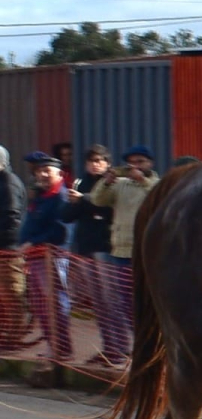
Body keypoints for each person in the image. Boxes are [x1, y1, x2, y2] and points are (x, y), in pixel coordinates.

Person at [90, 145, 160, 358]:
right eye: (132, 162)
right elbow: (97, 199)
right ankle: (138, 343)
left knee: (148, 302)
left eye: (140, 162)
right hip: (121, 252)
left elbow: (159, 197)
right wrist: (106, 181)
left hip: (147, 252)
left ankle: (153, 345)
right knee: (126, 302)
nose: (135, 166)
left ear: (150, 163)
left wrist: (142, 180)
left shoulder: (156, 184)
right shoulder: (120, 184)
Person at [60, 144, 125, 368]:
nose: (95, 165)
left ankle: (120, 348)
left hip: (105, 248)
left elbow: (108, 210)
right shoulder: (81, 183)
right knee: (98, 303)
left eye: (99, 160)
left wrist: (85, 201)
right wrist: (78, 203)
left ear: (107, 163)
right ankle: (108, 347)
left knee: (111, 301)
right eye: (91, 161)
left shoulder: (113, 183)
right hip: (85, 249)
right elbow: (67, 215)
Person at [18, 152, 72, 361]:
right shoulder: (41, 197)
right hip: (35, 257)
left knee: (55, 303)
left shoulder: (61, 197)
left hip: (52, 257)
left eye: (47, 170)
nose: (42, 175)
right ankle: (52, 345)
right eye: (39, 171)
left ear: (59, 173)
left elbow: (61, 231)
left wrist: (33, 242)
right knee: (41, 305)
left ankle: (62, 348)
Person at [0, 145, 28, 353]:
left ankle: (14, 338)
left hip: (8, 249)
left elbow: (12, 217)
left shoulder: (8, 183)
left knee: (12, 294)